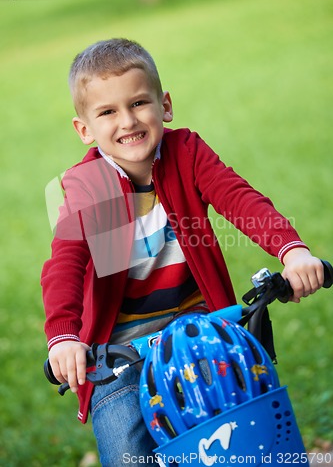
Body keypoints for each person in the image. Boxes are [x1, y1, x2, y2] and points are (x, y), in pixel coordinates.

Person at [41, 38, 324, 466]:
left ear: (165, 105)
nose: (127, 121)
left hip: (200, 328)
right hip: (120, 350)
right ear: (85, 129)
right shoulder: (89, 185)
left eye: (139, 103)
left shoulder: (186, 153)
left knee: (250, 427)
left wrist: (292, 251)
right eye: (107, 112)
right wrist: (63, 335)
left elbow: (240, 200)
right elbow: (65, 259)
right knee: (126, 447)